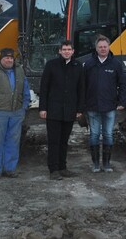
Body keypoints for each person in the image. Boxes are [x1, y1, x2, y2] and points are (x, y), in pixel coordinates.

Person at [39, 40, 85, 180]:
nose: (66, 51)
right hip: (53, 110)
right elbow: (44, 88)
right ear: (59, 51)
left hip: (69, 110)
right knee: (54, 141)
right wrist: (43, 108)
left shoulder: (78, 66)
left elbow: (81, 89)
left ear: (73, 51)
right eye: (64, 49)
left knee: (64, 141)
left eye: (69, 49)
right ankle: (53, 170)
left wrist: (79, 109)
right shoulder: (51, 65)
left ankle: (62, 167)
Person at [0, 48, 31, 179]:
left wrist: (24, 106)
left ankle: (10, 169)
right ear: (1, 59)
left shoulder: (19, 70)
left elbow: (25, 90)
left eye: (11, 58)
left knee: (13, 141)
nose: (9, 60)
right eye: (6, 58)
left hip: (16, 112)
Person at [83, 35, 126, 172]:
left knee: (108, 134)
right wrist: (82, 104)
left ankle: (107, 164)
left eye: (105, 46)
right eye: (100, 47)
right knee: (94, 135)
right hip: (92, 106)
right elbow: (82, 85)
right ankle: (96, 164)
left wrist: (122, 101)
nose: (103, 49)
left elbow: (123, 84)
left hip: (109, 106)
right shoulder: (89, 64)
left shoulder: (116, 64)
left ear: (109, 47)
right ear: (96, 48)